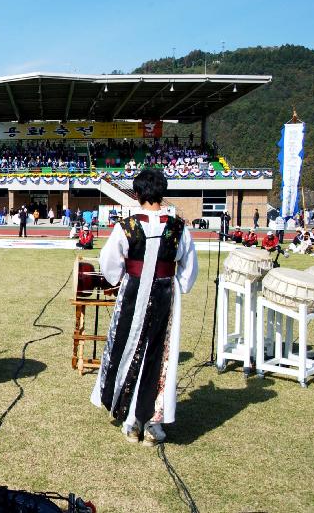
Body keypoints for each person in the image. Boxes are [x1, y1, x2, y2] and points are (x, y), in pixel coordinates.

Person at [91, 169, 198, 446]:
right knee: (159, 356)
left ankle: (132, 421)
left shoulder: (126, 226)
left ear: (137, 194)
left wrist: (120, 279)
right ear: (162, 192)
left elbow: (110, 262)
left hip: (134, 291)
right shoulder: (178, 227)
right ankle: (153, 424)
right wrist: (178, 284)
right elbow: (189, 268)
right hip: (165, 292)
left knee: (129, 350)